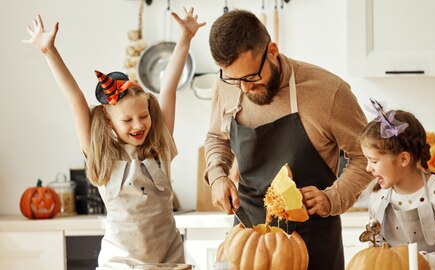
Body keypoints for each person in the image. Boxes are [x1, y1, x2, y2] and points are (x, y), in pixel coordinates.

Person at [23, 9, 205, 270]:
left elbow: (168, 88)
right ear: (109, 122)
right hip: (119, 265)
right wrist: (49, 51)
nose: (139, 124)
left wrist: (185, 38)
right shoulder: (102, 155)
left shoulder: (159, 148)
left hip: (169, 262)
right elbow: (75, 100)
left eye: (143, 116)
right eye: (128, 120)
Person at [204, 9, 372, 270]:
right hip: (248, 239)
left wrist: (333, 197)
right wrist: (217, 175)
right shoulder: (229, 84)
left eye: (251, 77)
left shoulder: (329, 92)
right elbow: (217, 136)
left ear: (272, 51)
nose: (244, 88)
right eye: (235, 80)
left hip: (314, 239)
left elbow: (365, 157)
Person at [361, 99, 435, 269]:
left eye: (374, 161)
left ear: (403, 159)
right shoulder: (378, 198)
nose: (368, 168)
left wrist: (409, 261)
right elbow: (377, 253)